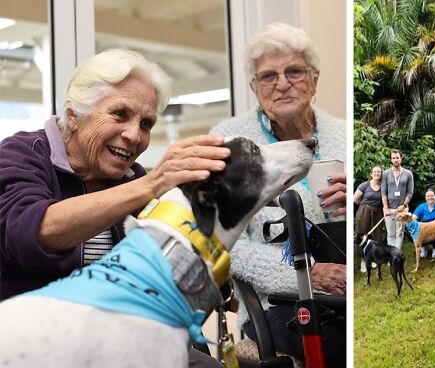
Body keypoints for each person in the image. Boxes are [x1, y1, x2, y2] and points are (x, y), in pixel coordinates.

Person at [0, 49, 231, 367]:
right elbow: (32, 232)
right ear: (73, 116)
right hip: (34, 341)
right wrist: (151, 184)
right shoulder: (22, 154)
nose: (134, 135)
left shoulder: (134, 181)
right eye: (120, 114)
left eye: (146, 123)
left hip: (122, 339)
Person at [210, 23, 345, 366]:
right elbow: (222, 243)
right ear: (255, 88)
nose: (282, 83)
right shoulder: (228, 142)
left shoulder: (345, 135)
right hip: (278, 304)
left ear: (314, 79)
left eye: (294, 71)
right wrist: (304, 273)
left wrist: (353, 205)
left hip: (348, 289)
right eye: (268, 76)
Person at [381, 149, 414, 249]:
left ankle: (397, 254)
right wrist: (386, 208)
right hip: (389, 209)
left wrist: (404, 205)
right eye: (393, 158)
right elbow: (383, 192)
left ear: (401, 158)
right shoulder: (386, 173)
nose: (395, 160)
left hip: (402, 209)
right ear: (391, 160)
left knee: (399, 233)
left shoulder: (408, 174)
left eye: (397, 158)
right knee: (390, 233)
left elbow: (410, 192)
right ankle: (391, 254)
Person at [354, 166, 384, 273]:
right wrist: (363, 207)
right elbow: (355, 199)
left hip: (378, 213)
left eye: (379, 172)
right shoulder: (365, 185)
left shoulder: (383, 187)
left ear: (381, 174)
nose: (377, 173)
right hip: (364, 212)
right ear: (371, 174)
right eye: (375, 172)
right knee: (362, 236)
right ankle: (363, 260)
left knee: (376, 236)